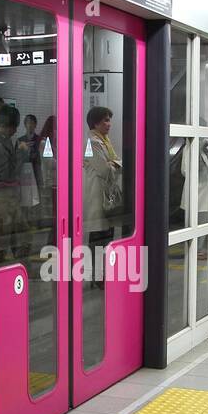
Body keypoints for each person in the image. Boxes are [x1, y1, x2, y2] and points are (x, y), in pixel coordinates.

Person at [83, 106, 122, 287]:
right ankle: (98, 277)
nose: (109, 124)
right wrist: (114, 164)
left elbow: (112, 164)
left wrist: (112, 164)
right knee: (99, 237)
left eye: (109, 120)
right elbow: (104, 169)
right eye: (105, 120)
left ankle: (102, 274)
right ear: (95, 123)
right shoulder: (92, 143)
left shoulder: (104, 141)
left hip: (105, 195)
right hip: (96, 196)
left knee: (107, 236)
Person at [0, 104, 22, 264]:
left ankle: (19, 266)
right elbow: (7, 174)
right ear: (8, 125)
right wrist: (21, 153)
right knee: (2, 241)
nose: (15, 131)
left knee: (20, 235)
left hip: (10, 196)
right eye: (14, 126)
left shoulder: (5, 141)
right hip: (1, 198)